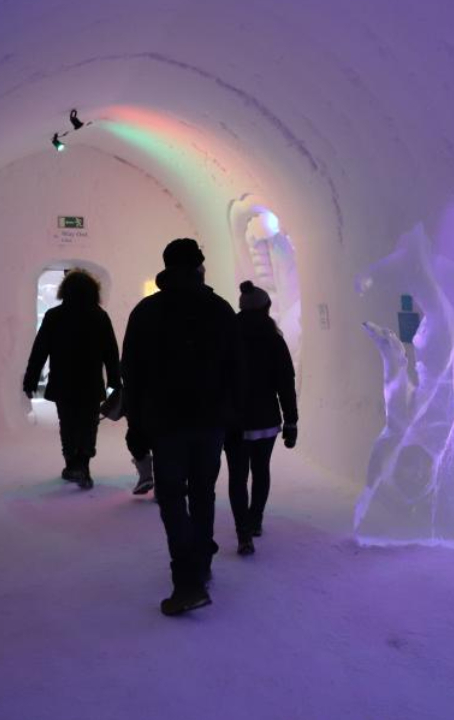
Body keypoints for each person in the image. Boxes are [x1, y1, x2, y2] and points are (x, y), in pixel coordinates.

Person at [121, 238, 242, 616]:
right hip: (210, 421)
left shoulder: (147, 311)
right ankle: (200, 565)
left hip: (165, 422)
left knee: (172, 497)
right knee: (203, 493)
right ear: (198, 266)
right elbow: (237, 368)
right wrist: (232, 415)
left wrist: (136, 425)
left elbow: (132, 374)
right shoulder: (219, 309)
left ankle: (187, 580)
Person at [23, 269, 120, 490]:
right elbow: (111, 352)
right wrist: (114, 380)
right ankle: (83, 464)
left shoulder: (54, 316)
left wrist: (30, 380)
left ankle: (71, 464)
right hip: (90, 382)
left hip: (63, 381)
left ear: (65, 290)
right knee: (88, 424)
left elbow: (39, 351)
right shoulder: (99, 316)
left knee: (67, 423)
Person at [225, 281, 298, 556]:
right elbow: (285, 383)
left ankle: (243, 532)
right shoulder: (273, 340)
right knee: (261, 470)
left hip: (234, 420)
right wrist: (291, 421)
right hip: (266, 418)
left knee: (237, 476)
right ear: (266, 308)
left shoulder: (228, 337)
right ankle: (255, 520)